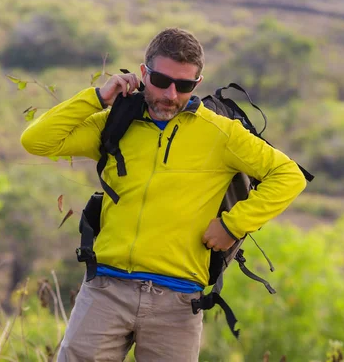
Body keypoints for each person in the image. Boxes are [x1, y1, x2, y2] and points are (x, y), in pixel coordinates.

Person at [20, 27, 307, 361]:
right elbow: (37, 140)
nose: (171, 94)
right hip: (105, 290)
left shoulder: (221, 133)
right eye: (161, 81)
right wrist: (98, 97)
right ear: (143, 74)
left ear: (197, 84)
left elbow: (289, 175)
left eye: (184, 85)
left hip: (179, 300)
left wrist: (233, 225)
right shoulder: (115, 123)